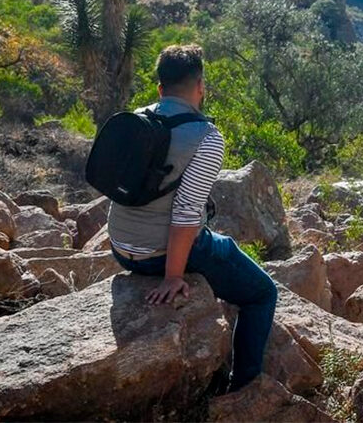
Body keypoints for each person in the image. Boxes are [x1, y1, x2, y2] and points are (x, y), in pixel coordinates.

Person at [107, 44, 277, 392]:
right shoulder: (207, 138)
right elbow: (185, 215)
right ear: (200, 87)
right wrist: (172, 277)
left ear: (160, 89)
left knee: (216, 243)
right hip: (158, 258)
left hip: (120, 248)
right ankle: (243, 390)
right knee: (262, 293)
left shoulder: (138, 118)